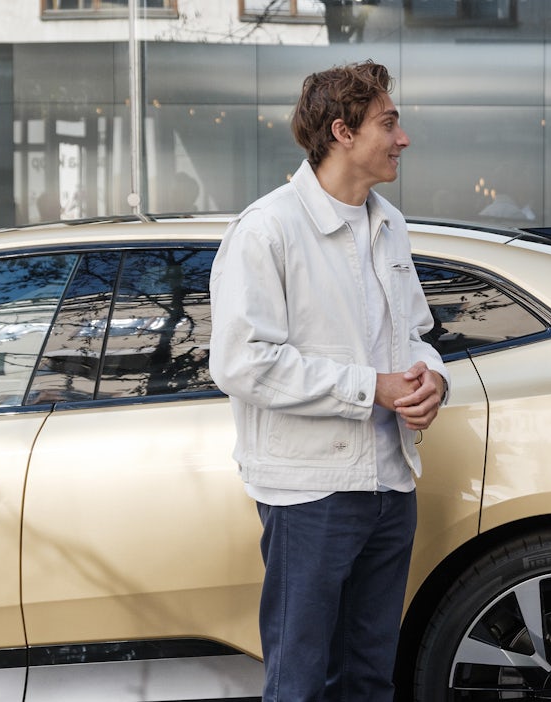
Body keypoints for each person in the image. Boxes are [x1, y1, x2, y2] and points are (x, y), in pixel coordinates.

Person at [209, 60, 449, 702]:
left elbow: (417, 335)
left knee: (369, 680)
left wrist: (433, 381)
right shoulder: (267, 229)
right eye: (389, 123)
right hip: (310, 494)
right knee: (299, 683)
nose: (403, 138)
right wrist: (372, 387)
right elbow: (241, 362)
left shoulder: (389, 222)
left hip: (390, 485)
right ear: (342, 131)